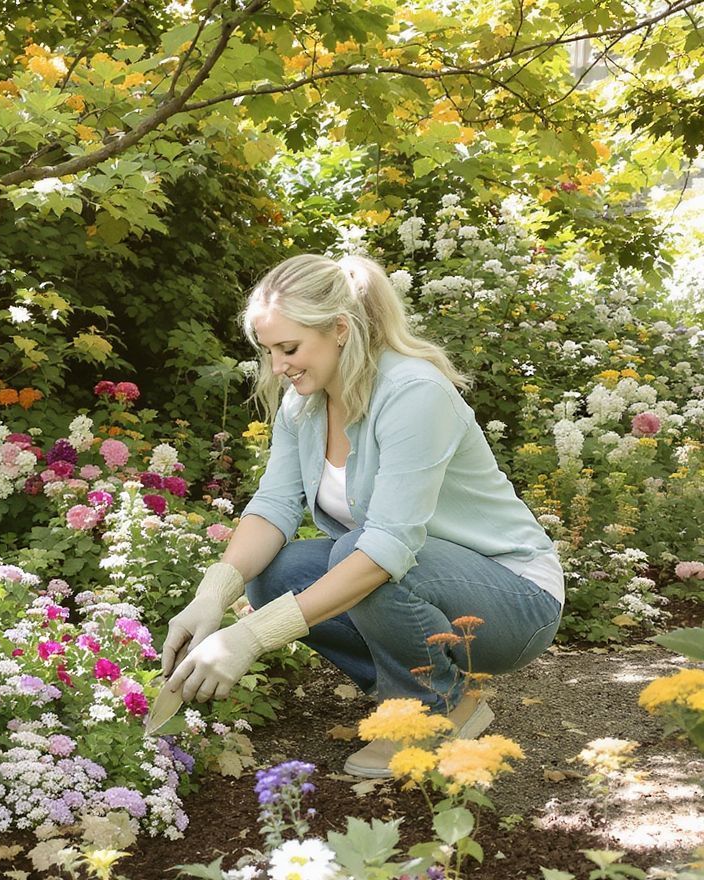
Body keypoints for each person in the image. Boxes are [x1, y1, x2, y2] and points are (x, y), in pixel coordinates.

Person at [161, 253, 564, 778]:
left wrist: (251, 637)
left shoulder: (414, 392)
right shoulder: (303, 404)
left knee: (358, 555)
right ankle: (446, 697)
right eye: (269, 351)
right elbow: (274, 505)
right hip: (422, 575)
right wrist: (212, 596)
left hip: (515, 598)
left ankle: (423, 715)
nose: (279, 366)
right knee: (274, 577)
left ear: (340, 330)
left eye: (289, 348)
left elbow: (386, 550)